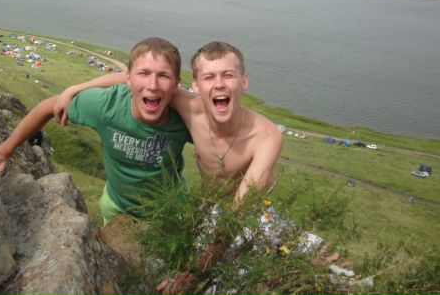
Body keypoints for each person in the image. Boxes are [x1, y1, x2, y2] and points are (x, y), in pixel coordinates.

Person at [0, 37, 192, 225]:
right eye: (144, 73)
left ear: (176, 84)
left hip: (172, 208)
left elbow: (213, 144)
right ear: (128, 79)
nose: (153, 85)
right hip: (117, 207)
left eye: (163, 76)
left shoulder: (186, 117)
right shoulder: (107, 105)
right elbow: (47, 107)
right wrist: (6, 149)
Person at [55, 41, 283, 204]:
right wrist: (73, 89)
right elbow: (130, 79)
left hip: (250, 211)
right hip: (209, 204)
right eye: (209, 77)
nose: (219, 84)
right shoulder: (188, 107)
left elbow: (241, 208)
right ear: (195, 85)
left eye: (228, 75)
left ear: (244, 82)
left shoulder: (267, 136)